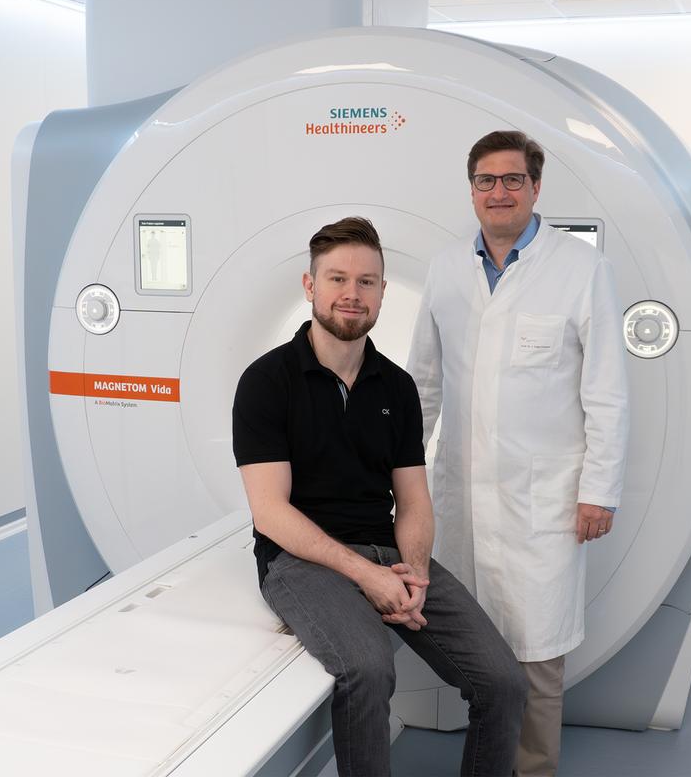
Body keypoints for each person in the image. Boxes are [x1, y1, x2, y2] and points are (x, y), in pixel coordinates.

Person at [233, 216, 528, 777]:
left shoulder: (397, 387)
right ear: (310, 286)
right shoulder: (267, 381)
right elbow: (270, 511)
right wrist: (366, 577)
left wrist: (411, 573)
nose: (352, 293)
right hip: (299, 561)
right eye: (338, 278)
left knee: (504, 682)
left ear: (383, 293)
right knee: (369, 668)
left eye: (367, 282)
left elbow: (413, 499)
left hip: (388, 554)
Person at [407, 131, 630, 777]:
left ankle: (532, 770)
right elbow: (424, 381)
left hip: (545, 499)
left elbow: (608, 392)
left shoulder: (581, 269)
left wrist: (600, 489)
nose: (498, 192)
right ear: (472, 189)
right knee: (477, 646)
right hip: (464, 492)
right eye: (485, 180)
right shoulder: (448, 268)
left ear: (536, 188)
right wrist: (396, 475)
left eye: (512, 180)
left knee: (537, 656)